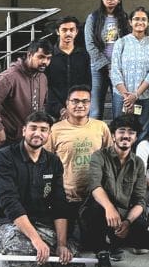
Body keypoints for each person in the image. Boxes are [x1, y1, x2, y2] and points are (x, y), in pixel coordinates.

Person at [0, 111, 83, 267]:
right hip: (8, 221)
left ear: (49, 134)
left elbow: (59, 203)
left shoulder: (53, 161)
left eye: (43, 129)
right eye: (33, 128)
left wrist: (61, 244)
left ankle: (42, 261)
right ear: (24, 130)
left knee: (70, 266)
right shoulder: (2, 158)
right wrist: (37, 241)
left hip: (42, 221)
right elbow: (10, 204)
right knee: (21, 256)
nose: (38, 133)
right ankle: (12, 259)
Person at [81, 114, 149, 267]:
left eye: (131, 132)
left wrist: (128, 221)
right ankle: (102, 253)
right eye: (121, 131)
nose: (126, 136)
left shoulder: (138, 163)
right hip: (101, 211)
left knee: (148, 238)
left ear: (135, 137)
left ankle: (116, 243)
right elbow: (95, 186)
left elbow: (140, 200)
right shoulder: (99, 156)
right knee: (96, 209)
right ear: (113, 135)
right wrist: (109, 207)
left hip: (124, 214)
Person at [0, 39, 53, 159]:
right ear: (29, 54)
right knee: (1, 177)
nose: (45, 62)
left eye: (48, 58)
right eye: (41, 57)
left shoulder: (42, 78)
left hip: (27, 141)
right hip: (4, 140)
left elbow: (42, 107)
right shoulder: (10, 77)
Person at [45, 85, 111, 221]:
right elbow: (46, 163)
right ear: (67, 104)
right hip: (66, 198)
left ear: (90, 104)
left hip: (95, 197)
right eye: (75, 101)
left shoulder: (101, 127)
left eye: (85, 101)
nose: (80, 105)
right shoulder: (55, 130)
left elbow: (110, 159)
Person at [110, 7, 149, 141]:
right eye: (136, 19)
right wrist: (127, 96)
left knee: (142, 132)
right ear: (130, 22)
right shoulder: (121, 42)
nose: (140, 22)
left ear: (148, 23)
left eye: (143, 19)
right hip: (122, 97)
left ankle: (140, 161)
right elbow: (114, 70)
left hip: (144, 96)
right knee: (121, 131)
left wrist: (136, 95)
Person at [85, 0, 130, 119]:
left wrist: (115, 66)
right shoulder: (93, 17)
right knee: (95, 110)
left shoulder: (123, 17)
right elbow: (90, 44)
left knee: (119, 108)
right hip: (97, 68)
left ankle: (117, 138)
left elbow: (127, 42)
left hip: (118, 69)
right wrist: (106, 65)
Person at [44, 16, 90, 120]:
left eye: (71, 30)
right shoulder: (49, 56)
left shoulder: (84, 55)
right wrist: (60, 109)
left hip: (79, 110)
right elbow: (46, 86)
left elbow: (88, 84)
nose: (68, 33)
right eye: (64, 30)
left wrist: (77, 106)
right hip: (53, 111)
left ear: (77, 32)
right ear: (57, 31)